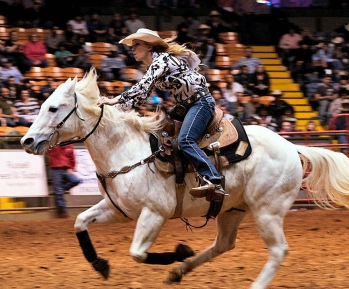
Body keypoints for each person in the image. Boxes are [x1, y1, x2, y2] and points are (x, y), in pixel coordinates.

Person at [99, 28, 226, 198]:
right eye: (133, 45)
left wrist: (114, 100)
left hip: (200, 103)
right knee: (158, 131)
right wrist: (113, 112)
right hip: (186, 105)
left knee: (185, 139)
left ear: (149, 46)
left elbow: (142, 87)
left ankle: (213, 180)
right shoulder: (155, 65)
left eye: (137, 44)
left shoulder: (162, 61)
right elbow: (140, 97)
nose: (132, 48)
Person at [46, 144, 81, 218]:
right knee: (59, 192)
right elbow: (47, 151)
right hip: (55, 169)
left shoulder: (69, 145)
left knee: (76, 180)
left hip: (65, 169)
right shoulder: (53, 145)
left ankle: (60, 189)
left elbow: (72, 158)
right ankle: (63, 212)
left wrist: (72, 168)